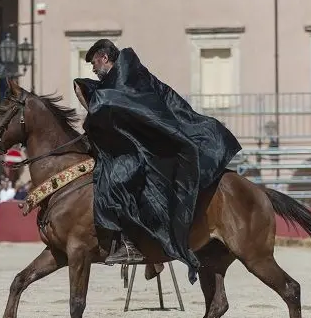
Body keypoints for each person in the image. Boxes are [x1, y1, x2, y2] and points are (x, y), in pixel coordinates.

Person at [73, 39, 242, 283]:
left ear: (104, 58)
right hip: (143, 145)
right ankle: (148, 251)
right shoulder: (117, 80)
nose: (92, 69)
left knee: (118, 179)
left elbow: (118, 104)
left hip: (155, 147)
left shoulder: (126, 75)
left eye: (93, 63)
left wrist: (92, 102)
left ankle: (137, 245)